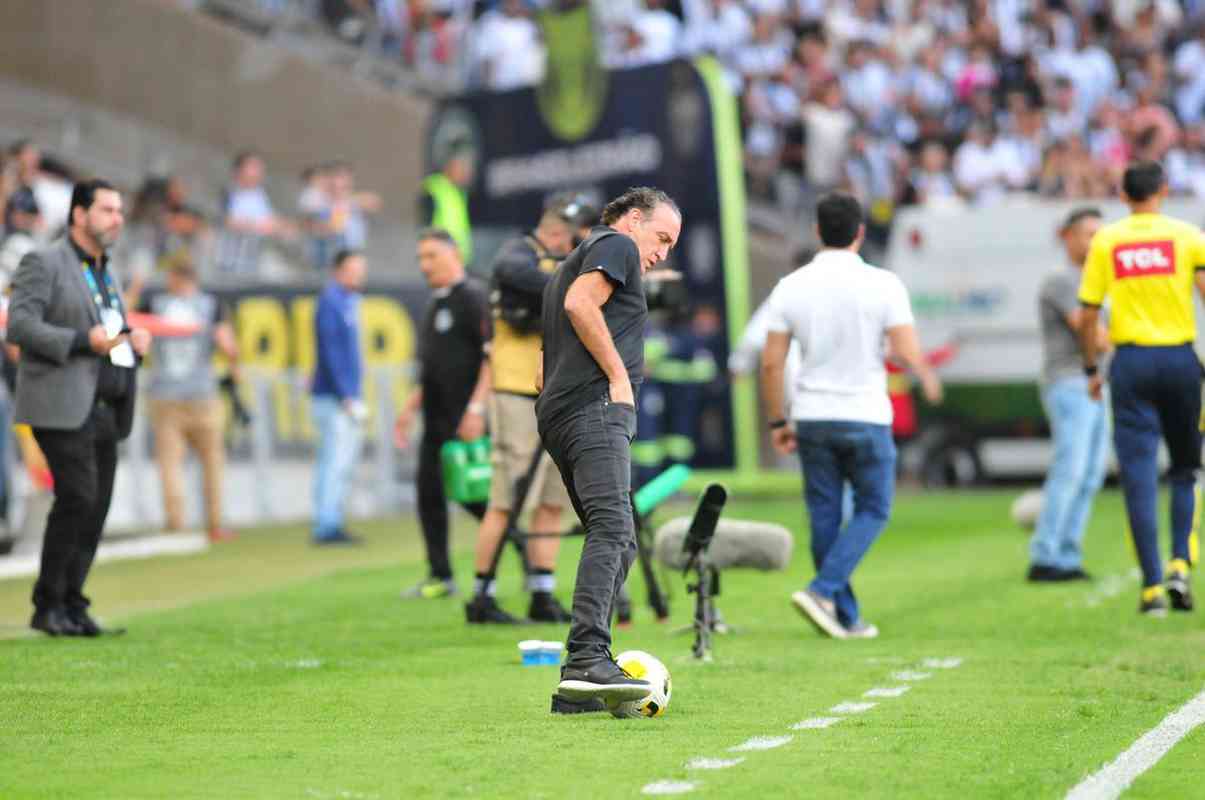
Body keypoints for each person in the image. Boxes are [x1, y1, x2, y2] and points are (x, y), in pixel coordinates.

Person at [760, 192, 942, 640]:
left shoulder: (791, 285)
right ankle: (823, 591)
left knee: (824, 513)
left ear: (817, 231)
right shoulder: (884, 284)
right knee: (875, 508)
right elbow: (903, 347)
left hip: (813, 415)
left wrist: (778, 422)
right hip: (865, 412)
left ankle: (843, 615)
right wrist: (925, 372)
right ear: (860, 232)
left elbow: (771, 363)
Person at [536, 187, 681, 705]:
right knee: (615, 527)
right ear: (634, 220)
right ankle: (588, 658)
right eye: (661, 237)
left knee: (621, 537)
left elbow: (544, 357)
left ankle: (576, 688)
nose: (663, 252)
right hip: (594, 409)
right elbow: (582, 305)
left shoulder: (568, 265)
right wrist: (618, 379)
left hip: (562, 413)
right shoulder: (616, 246)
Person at [7, 179, 153, 636]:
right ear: (79, 215)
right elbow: (20, 326)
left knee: (96, 505)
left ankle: (72, 602)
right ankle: (47, 605)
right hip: (62, 403)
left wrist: (134, 345)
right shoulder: (43, 261)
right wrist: (78, 341)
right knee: (78, 497)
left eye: (120, 211)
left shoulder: (104, 270)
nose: (117, 219)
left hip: (107, 403)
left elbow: (109, 333)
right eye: (108, 210)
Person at [1079, 160, 1205, 616]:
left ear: (1123, 195)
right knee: (1185, 470)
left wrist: (1092, 366)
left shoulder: (1107, 241)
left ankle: (1151, 588)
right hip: (1179, 358)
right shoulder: (1187, 236)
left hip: (1130, 361)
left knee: (1137, 476)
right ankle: (1179, 563)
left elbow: (1088, 312)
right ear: (1164, 190)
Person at [466, 201, 577, 625]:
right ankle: (483, 594)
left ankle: (542, 592)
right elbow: (516, 273)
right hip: (515, 391)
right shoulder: (516, 256)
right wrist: (571, 279)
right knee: (508, 498)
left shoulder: (554, 267)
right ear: (554, 236)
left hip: (556, 392)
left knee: (553, 499)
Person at [396, 229, 491, 599]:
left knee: (474, 497)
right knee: (428, 494)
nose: (425, 265)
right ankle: (440, 575)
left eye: (431, 256)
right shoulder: (436, 304)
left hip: (465, 418)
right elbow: (433, 366)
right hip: (434, 419)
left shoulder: (474, 298)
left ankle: (521, 549)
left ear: (454, 255)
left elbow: (491, 358)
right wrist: (410, 407)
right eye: (421, 258)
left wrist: (476, 409)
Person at [1027, 207, 1111, 583]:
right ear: (1068, 237)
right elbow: (1091, 332)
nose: (1094, 242)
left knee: (1091, 473)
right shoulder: (1060, 280)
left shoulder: (1098, 280)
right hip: (1069, 381)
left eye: (1099, 234)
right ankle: (1045, 554)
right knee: (1071, 468)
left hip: (1096, 383)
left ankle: (1067, 554)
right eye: (1087, 234)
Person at [141, 256, 240, 544]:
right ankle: (215, 523)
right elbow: (227, 345)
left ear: (174, 277)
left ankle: (176, 524)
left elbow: (127, 323)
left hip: (165, 394)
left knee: (170, 464)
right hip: (202, 394)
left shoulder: (155, 304)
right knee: (212, 462)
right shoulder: (211, 306)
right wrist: (233, 366)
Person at [311, 249, 368, 546]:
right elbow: (331, 352)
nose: (359, 274)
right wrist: (346, 394)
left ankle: (331, 518)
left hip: (344, 395)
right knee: (334, 460)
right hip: (334, 397)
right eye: (354, 269)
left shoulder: (348, 301)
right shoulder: (331, 302)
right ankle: (327, 523)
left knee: (338, 459)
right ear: (338, 270)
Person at [420, 148, 474, 264]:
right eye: (460, 169)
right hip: (440, 254)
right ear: (449, 167)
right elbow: (425, 222)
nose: (463, 173)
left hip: (458, 255)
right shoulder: (434, 188)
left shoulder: (459, 191)